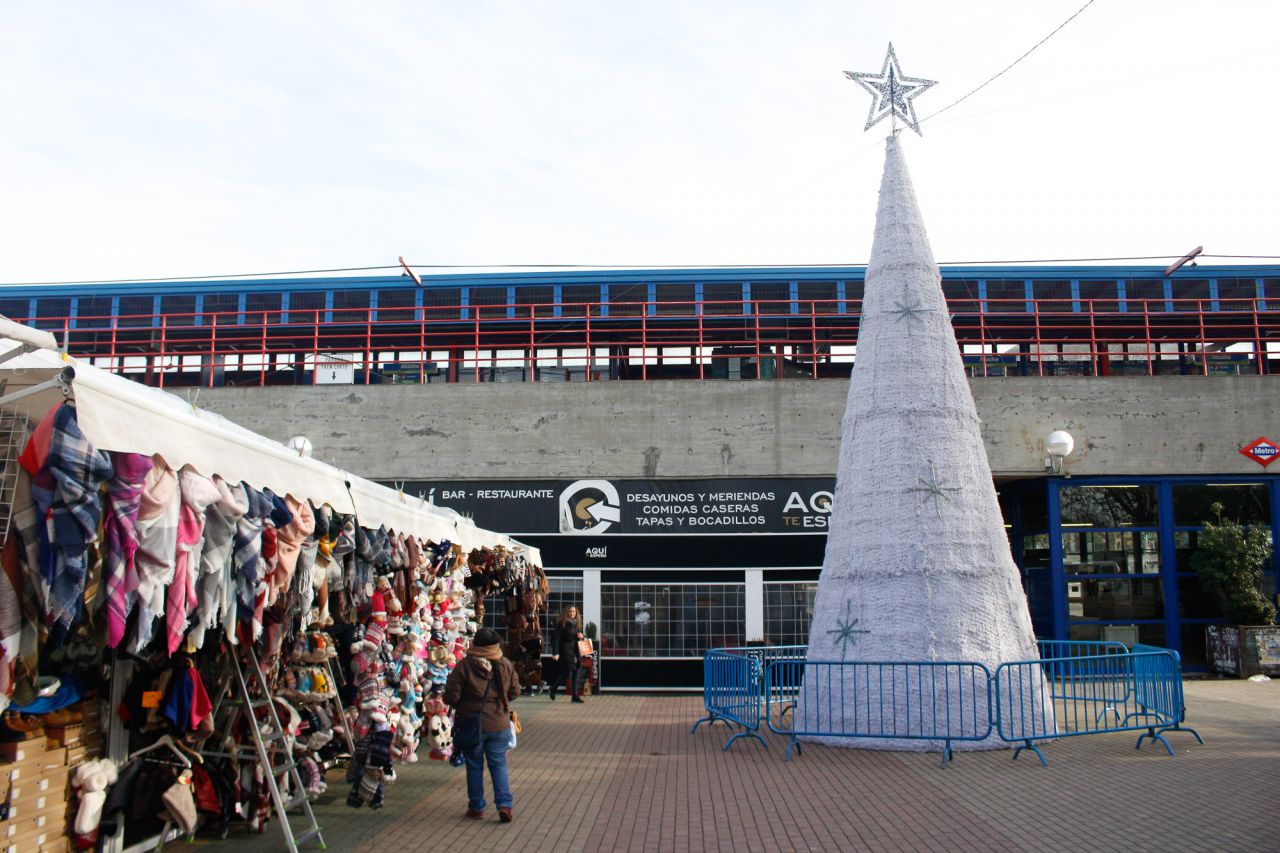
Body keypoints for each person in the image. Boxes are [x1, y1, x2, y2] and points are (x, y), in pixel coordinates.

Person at [444, 627, 520, 822]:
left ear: (475, 643)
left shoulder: (465, 665)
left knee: (474, 765)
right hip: (499, 723)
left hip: (472, 724)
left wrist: (463, 704)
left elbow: (451, 696)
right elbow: (515, 691)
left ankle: (476, 806)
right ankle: (504, 805)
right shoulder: (505, 664)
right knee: (499, 764)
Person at [549, 606, 586, 703]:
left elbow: (580, 636)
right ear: (566, 612)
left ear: (576, 613)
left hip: (576, 650)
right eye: (570, 611)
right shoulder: (562, 623)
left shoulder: (577, 624)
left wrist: (582, 636)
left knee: (576, 671)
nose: (572, 613)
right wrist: (555, 652)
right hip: (565, 650)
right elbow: (556, 638)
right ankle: (553, 688)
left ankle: (575, 696)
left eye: (574, 611)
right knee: (568, 672)